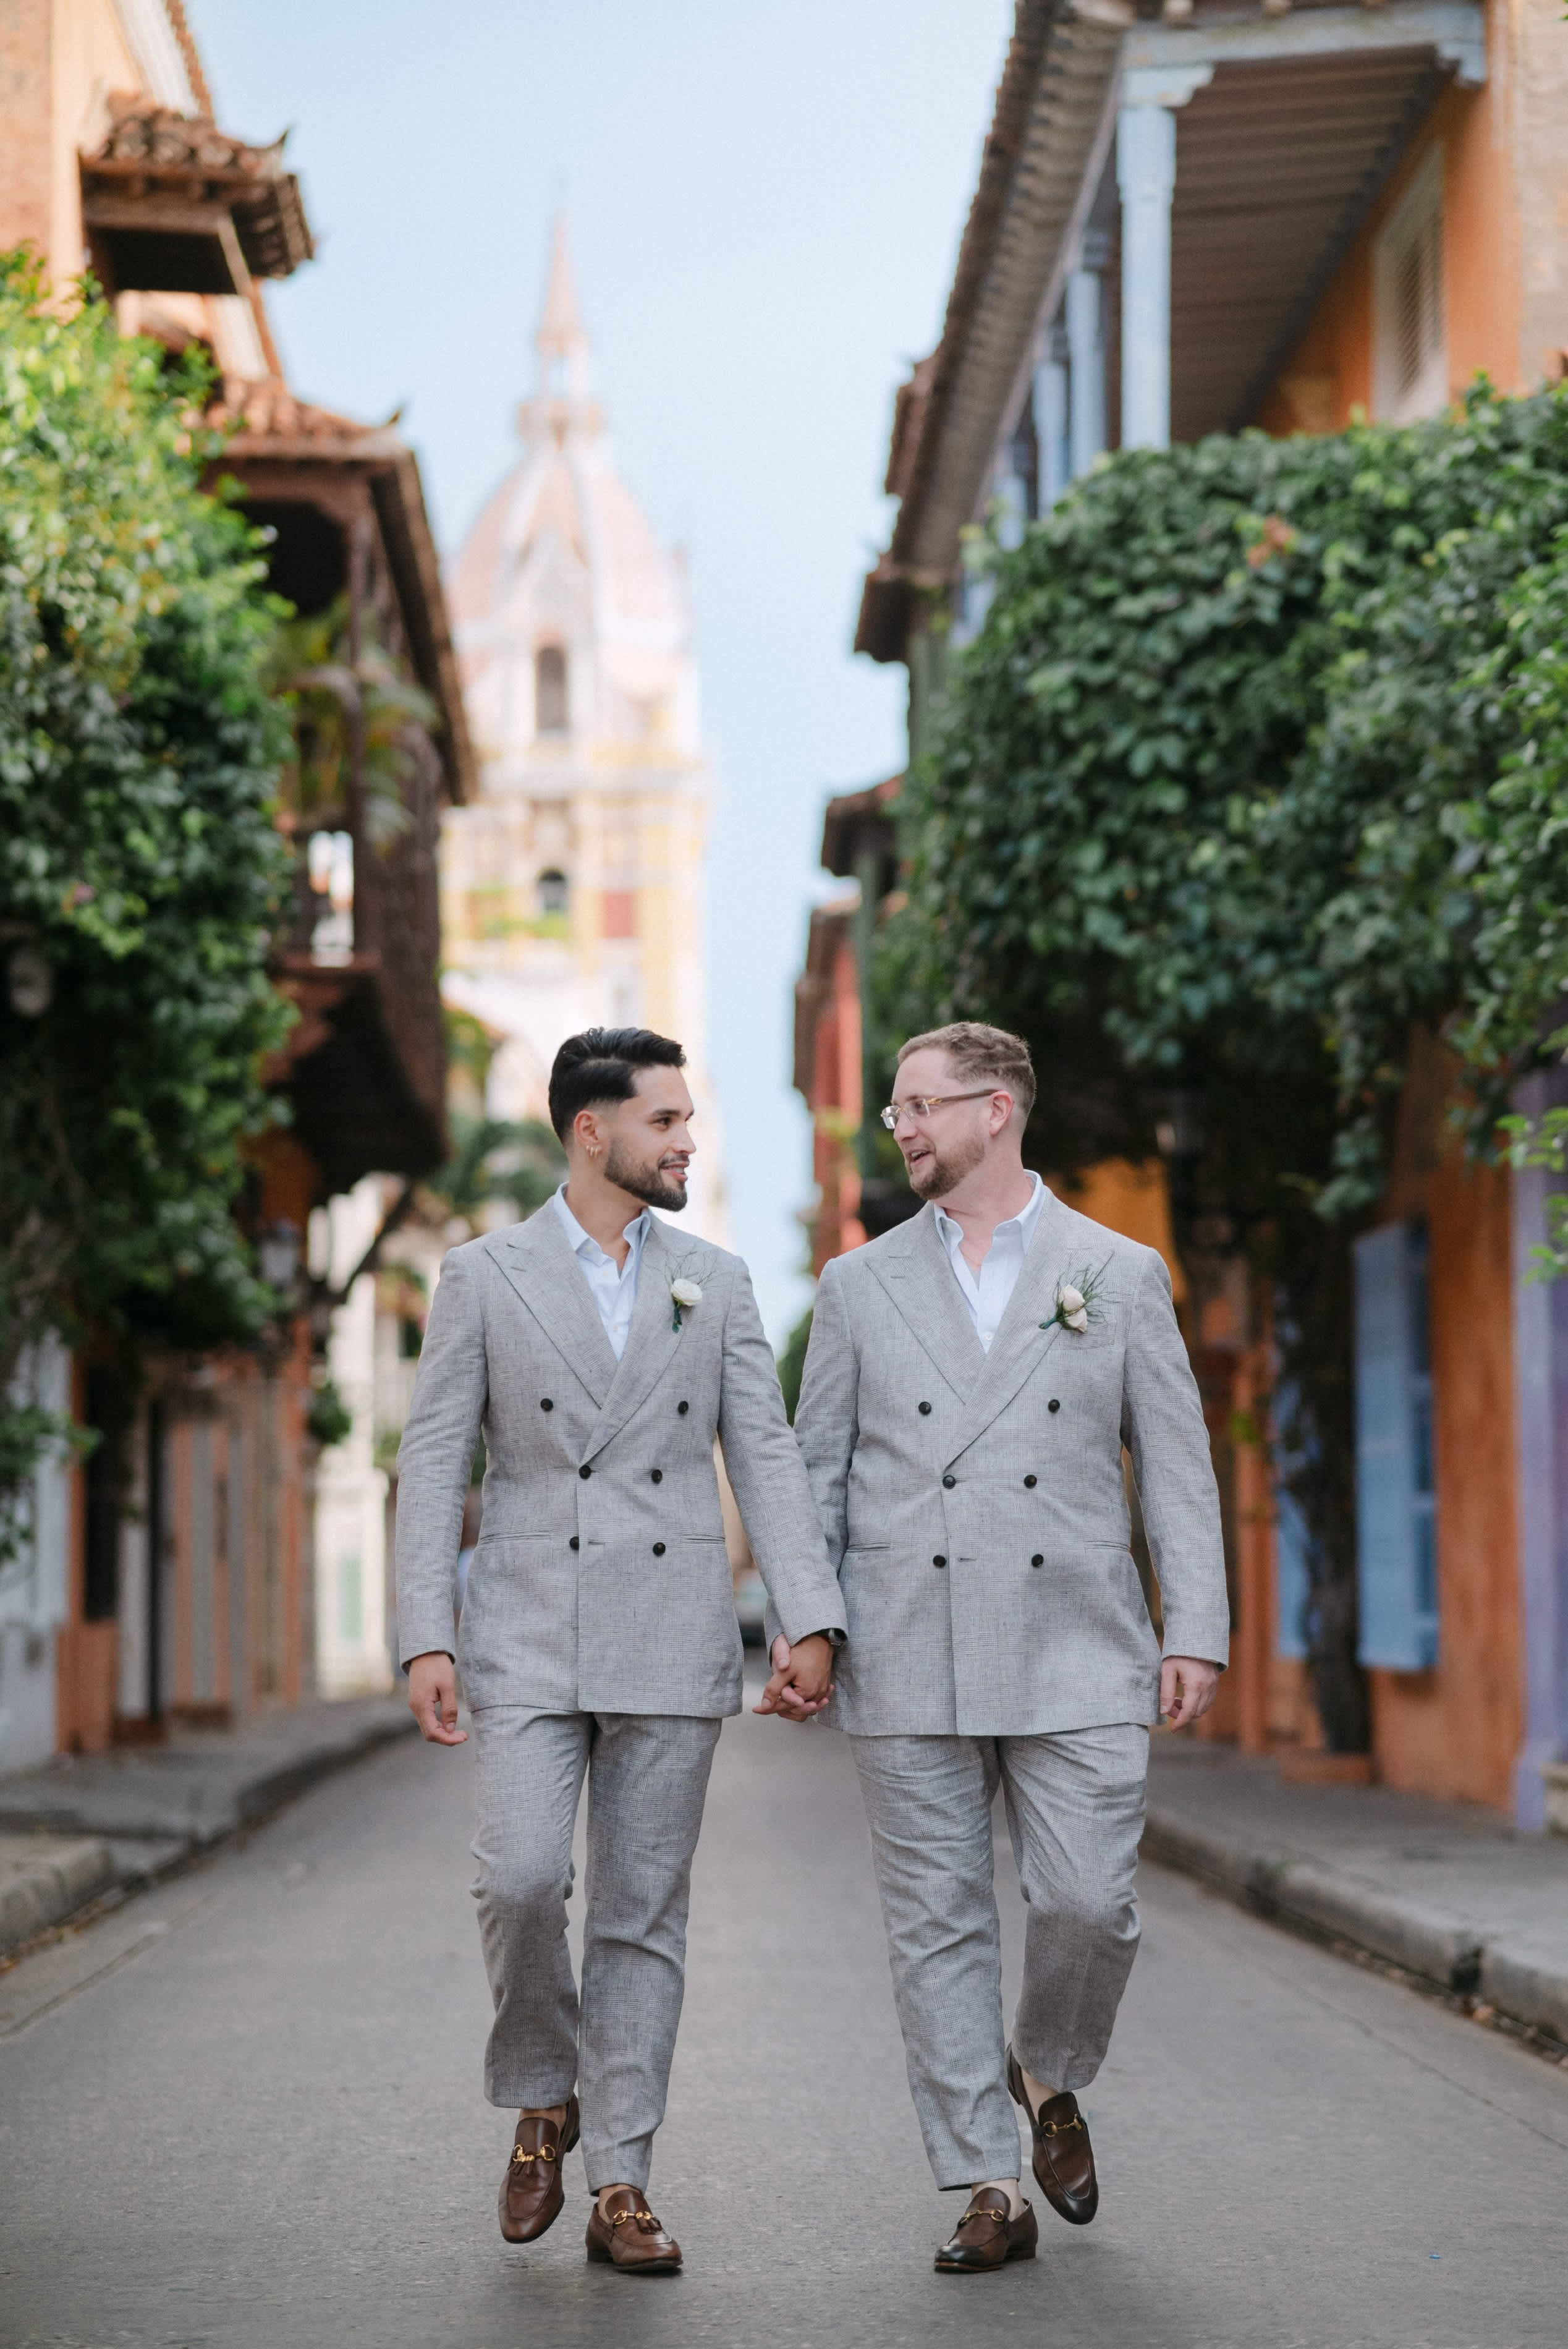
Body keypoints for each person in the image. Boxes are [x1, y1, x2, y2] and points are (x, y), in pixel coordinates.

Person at [396, 1027, 845, 2275]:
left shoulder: (717, 1277)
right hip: (527, 1627)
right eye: (666, 1122)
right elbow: (438, 1458)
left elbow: (767, 1454)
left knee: (642, 1916)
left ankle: (623, 2179)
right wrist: (425, 1628)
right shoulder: (482, 1277)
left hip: (671, 1623)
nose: (688, 1140)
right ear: (592, 1132)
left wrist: (810, 1616)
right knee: (523, 1880)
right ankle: (547, 2087)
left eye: (689, 1121)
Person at [787, 1021, 1228, 2274]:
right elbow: (813, 1476)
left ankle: (1050, 2070)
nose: (903, 1128)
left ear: (996, 1111)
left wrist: (1192, 1622)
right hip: (907, 1636)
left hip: (1082, 1635)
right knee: (937, 1926)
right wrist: (808, 1625)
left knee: (1090, 1902)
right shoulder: (858, 1286)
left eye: (920, 1105)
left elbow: (1178, 1466)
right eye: (893, 1111)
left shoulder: (1119, 1270)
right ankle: (988, 2179)